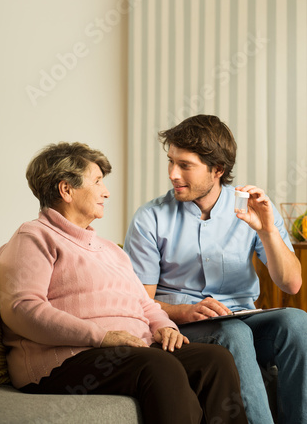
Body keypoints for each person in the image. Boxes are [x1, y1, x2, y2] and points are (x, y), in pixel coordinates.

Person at [0, 141, 248, 424]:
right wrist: (101, 336)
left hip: (128, 350)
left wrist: (164, 326)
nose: (106, 192)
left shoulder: (111, 249)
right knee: (158, 365)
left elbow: (142, 302)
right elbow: (23, 309)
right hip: (64, 361)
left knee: (214, 360)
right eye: (98, 181)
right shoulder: (34, 237)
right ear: (66, 189)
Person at [124, 115, 307, 424]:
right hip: (184, 327)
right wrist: (184, 312)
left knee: (296, 321)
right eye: (171, 162)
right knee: (232, 332)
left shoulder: (251, 208)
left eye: (185, 165)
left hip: (243, 319)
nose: (172, 174)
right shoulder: (150, 217)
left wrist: (267, 231)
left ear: (217, 170)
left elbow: (291, 284)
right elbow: (138, 302)